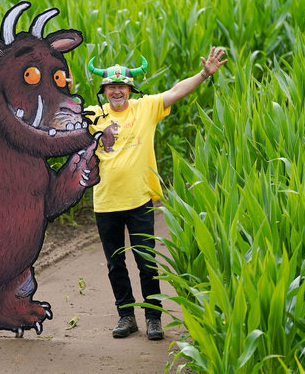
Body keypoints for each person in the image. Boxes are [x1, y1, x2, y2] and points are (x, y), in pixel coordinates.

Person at [83, 46, 227, 340]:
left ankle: (153, 318)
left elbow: (175, 91)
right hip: (105, 202)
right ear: (104, 91)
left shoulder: (145, 108)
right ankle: (126, 316)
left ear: (130, 89)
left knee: (147, 261)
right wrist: (64, 89)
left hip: (140, 201)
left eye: (121, 86)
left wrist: (204, 73)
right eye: (111, 87)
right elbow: (59, 117)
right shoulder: (92, 115)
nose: (117, 91)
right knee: (115, 264)